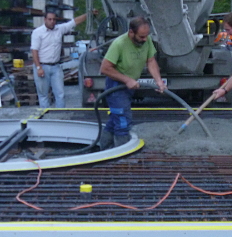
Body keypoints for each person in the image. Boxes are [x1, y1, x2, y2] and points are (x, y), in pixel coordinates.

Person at [99, 16, 166, 149]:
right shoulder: (119, 44)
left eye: (146, 36)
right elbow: (104, 68)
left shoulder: (146, 41)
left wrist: (159, 81)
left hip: (129, 86)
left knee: (115, 119)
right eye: (141, 36)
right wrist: (127, 79)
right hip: (116, 86)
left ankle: (104, 148)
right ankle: (122, 156)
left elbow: (151, 61)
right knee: (123, 121)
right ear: (131, 33)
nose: (145, 39)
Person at [30, 10, 95, 108]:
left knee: (60, 94)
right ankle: (46, 119)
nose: (52, 21)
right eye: (49, 19)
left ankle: (60, 115)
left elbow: (74, 22)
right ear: (45, 20)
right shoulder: (37, 32)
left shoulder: (59, 29)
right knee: (43, 95)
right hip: (42, 66)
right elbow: (34, 51)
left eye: (54, 19)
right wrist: (39, 67)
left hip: (56, 66)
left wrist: (89, 14)